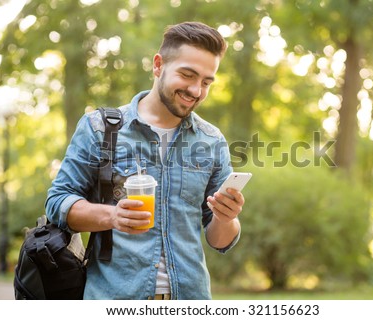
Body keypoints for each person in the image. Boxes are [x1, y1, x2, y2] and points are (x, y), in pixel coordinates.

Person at [45, 21, 245, 300]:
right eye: (187, 75)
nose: (196, 90)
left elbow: (220, 240)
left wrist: (227, 218)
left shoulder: (211, 141)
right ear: (158, 65)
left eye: (206, 82)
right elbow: (57, 202)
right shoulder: (100, 128)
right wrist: (112, 216)